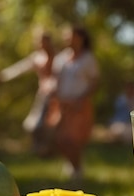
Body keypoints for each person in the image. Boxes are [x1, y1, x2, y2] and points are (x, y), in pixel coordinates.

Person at [48, 25, 99, 182]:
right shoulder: (61, 59)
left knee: (74, 139)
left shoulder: (88, 59)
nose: (67, 39)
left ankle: (77, 171)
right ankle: (72, 164)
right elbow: (55, 80)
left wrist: (81, 99)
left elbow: (95, 82)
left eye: (70, 35)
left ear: (80, 38)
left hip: (80, 105)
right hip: (63, 105)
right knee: (61, 139)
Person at [0, 29, 56, 156]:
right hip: (43, 94)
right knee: (32, 124)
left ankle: (49, 150)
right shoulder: (37, 57)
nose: (40, 44)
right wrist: (3, 76)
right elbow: (20, 68)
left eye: (42, 41)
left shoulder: (58, 57)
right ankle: (41, 150)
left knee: (50, 126)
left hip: (56, 96)